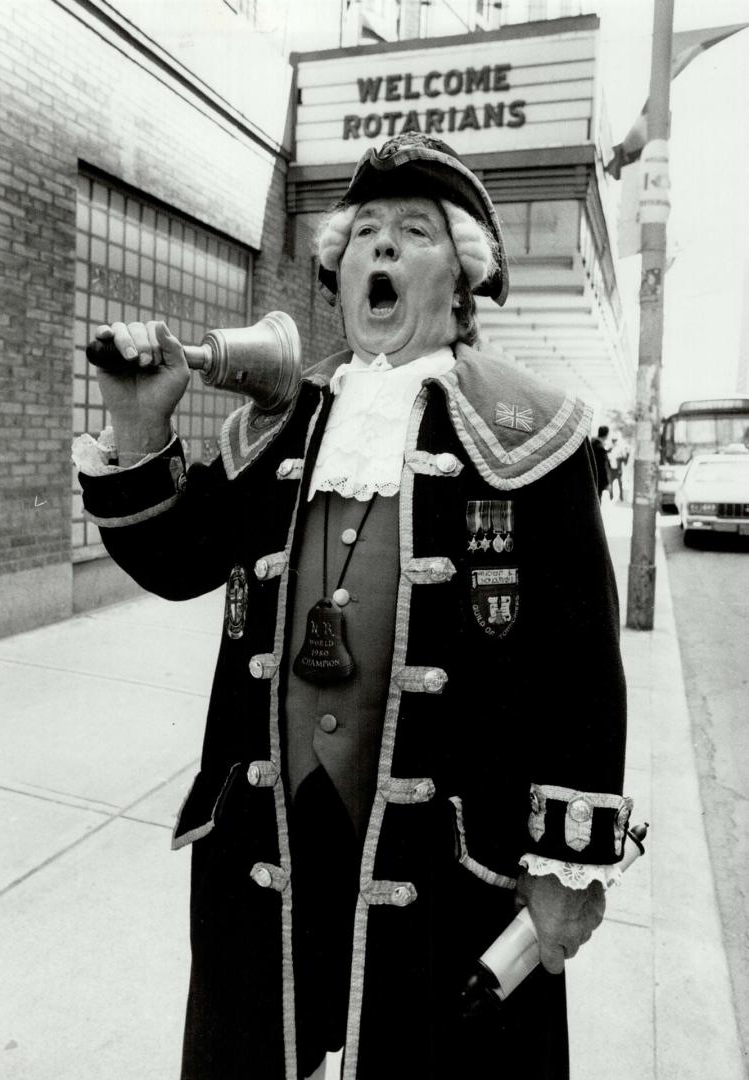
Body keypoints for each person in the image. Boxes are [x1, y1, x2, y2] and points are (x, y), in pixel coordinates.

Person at [74, 133, 630, 1080]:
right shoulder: (281, 422)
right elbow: (177, 558)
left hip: (445, 854)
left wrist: (563, 862)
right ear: (336, 274)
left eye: (413, 232)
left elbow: (579, 666)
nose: (380, 248)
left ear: (462, 280)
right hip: (276, 839)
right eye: (363, 232)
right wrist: (141, 420)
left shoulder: (532, 431)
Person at [590, 424, 612, 500]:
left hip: (591, 477)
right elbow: (603, 467)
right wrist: (607, 483)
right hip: (598, 479)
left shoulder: (592, 444)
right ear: (606, 435)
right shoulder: (600, 447)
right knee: (597, 500)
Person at [607, 435, 629, 502]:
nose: (614, 442)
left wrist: (623, 457)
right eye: (613, 440)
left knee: (620, 483)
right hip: (611, 469)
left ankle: (621, 497)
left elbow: (624, 458)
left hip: (618, 470)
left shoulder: (620, 449)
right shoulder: (609, 448)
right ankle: (611, 497)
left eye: (615, 440)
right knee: (610, 483)